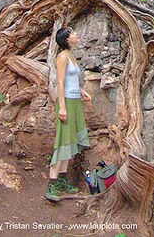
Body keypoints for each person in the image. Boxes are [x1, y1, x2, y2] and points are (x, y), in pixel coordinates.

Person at [45, 27, 91, 202]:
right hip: (66, 103)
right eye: (72, 33)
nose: (76, 34)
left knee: (70, 140)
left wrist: (81, 91)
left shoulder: (71, 56)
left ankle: (63, 179)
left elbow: (71, 81)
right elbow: (60, 82)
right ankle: (51, 184)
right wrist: (62, 107)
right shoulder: (62, 57)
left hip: (74, 102)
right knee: (63, 140)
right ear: (66, 39)